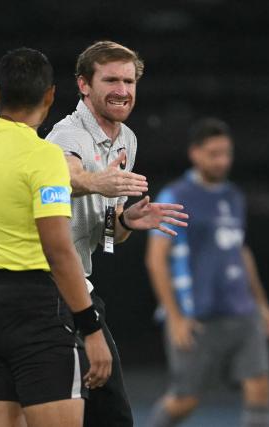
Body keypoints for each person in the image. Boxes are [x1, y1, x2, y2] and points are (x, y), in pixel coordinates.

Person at [0, 48, 111, 427]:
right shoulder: (45, 158)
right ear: (50, 96)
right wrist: (90, 328)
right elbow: (58, 250)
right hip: (34, 311)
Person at [46, 40, 188, 427]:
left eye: (129, 80)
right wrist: (97, 183)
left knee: (101, 409)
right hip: (47, 289)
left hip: (78, 282)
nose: (122, 90)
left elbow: (108, 235)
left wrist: (125, 222)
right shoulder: (66, 135)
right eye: (110, 80)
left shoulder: (127, 140)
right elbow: (66, 178)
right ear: (84, 85)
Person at [145, 118, 269, 427]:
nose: (222, 161)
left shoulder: (233, 196)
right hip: (197, 316)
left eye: (226, 153)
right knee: (185, 401)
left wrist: (261, 303)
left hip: (241, 312)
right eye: (214, 154)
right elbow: (156, 259)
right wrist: (175, 317)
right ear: (195, 153)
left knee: (260, 387)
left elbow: (241, 251)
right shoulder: (176, 196)